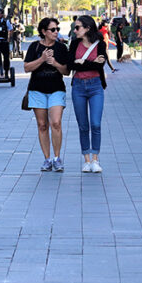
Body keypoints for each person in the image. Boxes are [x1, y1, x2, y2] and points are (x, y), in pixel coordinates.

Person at [24, 18, 69, 172]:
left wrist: (55, 63)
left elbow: (66, 71)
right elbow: (26, 68)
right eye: (53, 29)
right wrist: (42, 59)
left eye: (57, 29)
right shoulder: (34, 47)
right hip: (37, 89)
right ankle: (47, 159)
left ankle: (57, 158)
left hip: (56, 88)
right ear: (44, 32)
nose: (56, 32)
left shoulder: (61, 48)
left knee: (56, 122)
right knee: (42, 125)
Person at [68, 15, 108, 173]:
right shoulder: (74, 43)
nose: (75, 30)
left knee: (96, 124)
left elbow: (101, 64)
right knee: (83, 125)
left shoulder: (100, 44)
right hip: (78, 86)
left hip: (95, 86)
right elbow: (70, 64)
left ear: (88, 28)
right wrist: (90, 63)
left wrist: (82, 63)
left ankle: (96, 159)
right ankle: (86, 159)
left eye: (78, 27)